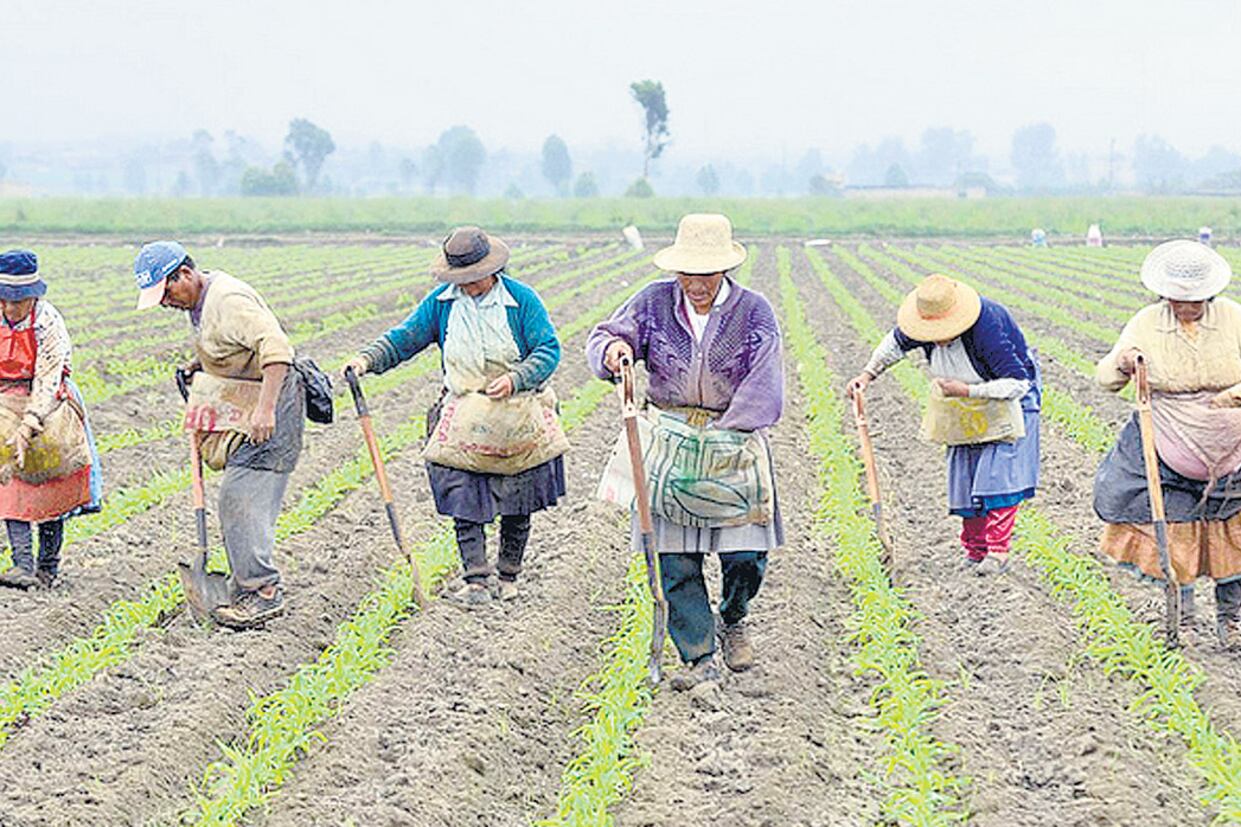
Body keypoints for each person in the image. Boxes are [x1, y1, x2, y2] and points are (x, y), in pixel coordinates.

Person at [587, 213, 784, 691]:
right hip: (669, 438)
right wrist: (614, 351)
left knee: (745, 552)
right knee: (675, 560)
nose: (695, 284)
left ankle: (733, 616)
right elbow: (603, 336)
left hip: (732, 439)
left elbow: (765, 382)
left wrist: (727, 432)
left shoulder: (754, 312)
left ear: (724, 270)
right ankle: (698, 657)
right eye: (687, 273)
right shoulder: (654, 302)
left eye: (706, 274)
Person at [343, 227, 565, 607]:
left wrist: (516, 379)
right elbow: (405, 337)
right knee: (462, 491)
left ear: (492, 269)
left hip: (517, 408)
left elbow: (548, 349)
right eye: (462, 280)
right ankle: (476, 579)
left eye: (474, 279)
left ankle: (508, 575)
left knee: (518, 496)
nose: (469, 286)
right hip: (464, 408)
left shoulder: (521, 301)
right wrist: (367, 359)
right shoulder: (442, 303)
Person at [134, 241, 303, 628]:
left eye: (167, 292)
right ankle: (245, 583)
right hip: (247, 404)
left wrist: (266, 409)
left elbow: (277, 350)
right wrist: (201, 363)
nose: (165, 302)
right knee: (239, 495)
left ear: (186, 275)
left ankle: (263, 592)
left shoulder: (228, 299)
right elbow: (232, 343)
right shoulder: (201, 303)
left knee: (239, 496)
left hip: (273, 407)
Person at [1093, 240, 1241, 643]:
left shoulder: (1233, 318)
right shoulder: (1146, 322)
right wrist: (1124, 363)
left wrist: (1233, 395)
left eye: (1195, 300)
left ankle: (1232, 619)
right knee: (1177, 531)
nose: (1187, 306)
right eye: (1178, 299)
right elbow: (1106, 377)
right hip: (1167, 443)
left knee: (1233, 531)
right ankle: (1185, 619)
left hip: (1231, 447)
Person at [850, 273, 1041, 575]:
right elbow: (894, 344)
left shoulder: (986, 327)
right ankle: (975, 550)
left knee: (998, 475)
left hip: (1007, 397)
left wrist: (969, 391)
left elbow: (1018, 383)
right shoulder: (923, 322)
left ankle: (997, 552)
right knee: (965, 474)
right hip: (959, 397)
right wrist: (867, 375)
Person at [0, 249, 101, 589]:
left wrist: (29, 424)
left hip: (49, 400)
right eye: (4, 299)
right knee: (8, 474)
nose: (10, 308)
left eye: (17, 301)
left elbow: (48, 377)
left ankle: (48, 567)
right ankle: (22, 565)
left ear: (33, 296)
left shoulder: (47, 320)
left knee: (51, 477)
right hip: (4, 398)